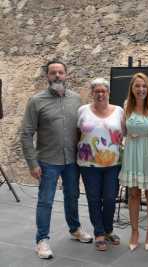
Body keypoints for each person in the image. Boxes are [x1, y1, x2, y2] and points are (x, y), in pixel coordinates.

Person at [20, 60, 92, 259]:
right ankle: (42, 240)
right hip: (47, 161)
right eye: (53, 73)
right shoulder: (36, 101)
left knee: (73, 196)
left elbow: (83, 128)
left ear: (66, 75)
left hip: (72, 161)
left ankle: (75, 228)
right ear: (47, 76)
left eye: (61, 72)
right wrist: (32, 163)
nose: (57, 76)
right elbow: (26, 133)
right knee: (45, 201)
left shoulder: (77, 99)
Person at [77, 78, 124, 251]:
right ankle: (99, 233)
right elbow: (77, 133)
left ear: (108, 93)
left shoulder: (119, 111)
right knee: (94, 198)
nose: (100, 94)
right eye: (96, 91)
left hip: (113, 163)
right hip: (88, 165)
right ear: (92, 93)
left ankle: (108, 229)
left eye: (103, 91)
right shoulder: (82, 110)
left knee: (111, 198)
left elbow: (123, 133)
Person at [119, 72, 148, 251]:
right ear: (132, 88)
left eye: (144, 86)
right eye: (137, 86)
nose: (141, 89)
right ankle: (134, 232)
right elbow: (122, 131)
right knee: (133, 194)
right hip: (131, 152)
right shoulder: (126, 105)